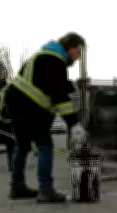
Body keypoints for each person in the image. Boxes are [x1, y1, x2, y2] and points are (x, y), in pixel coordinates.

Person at [5, 32, 87, 203]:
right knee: (45, 145)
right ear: (70, 47)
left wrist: (68, 85)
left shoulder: (47, 56)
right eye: (77, 52)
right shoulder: (55, 60)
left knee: (22, 144)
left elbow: (47, 83)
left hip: (17, 102)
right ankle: (46, 190)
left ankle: (17, 186)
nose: (78, 57)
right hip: (26, 105)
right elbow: (59, 98)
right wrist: (75, 125)